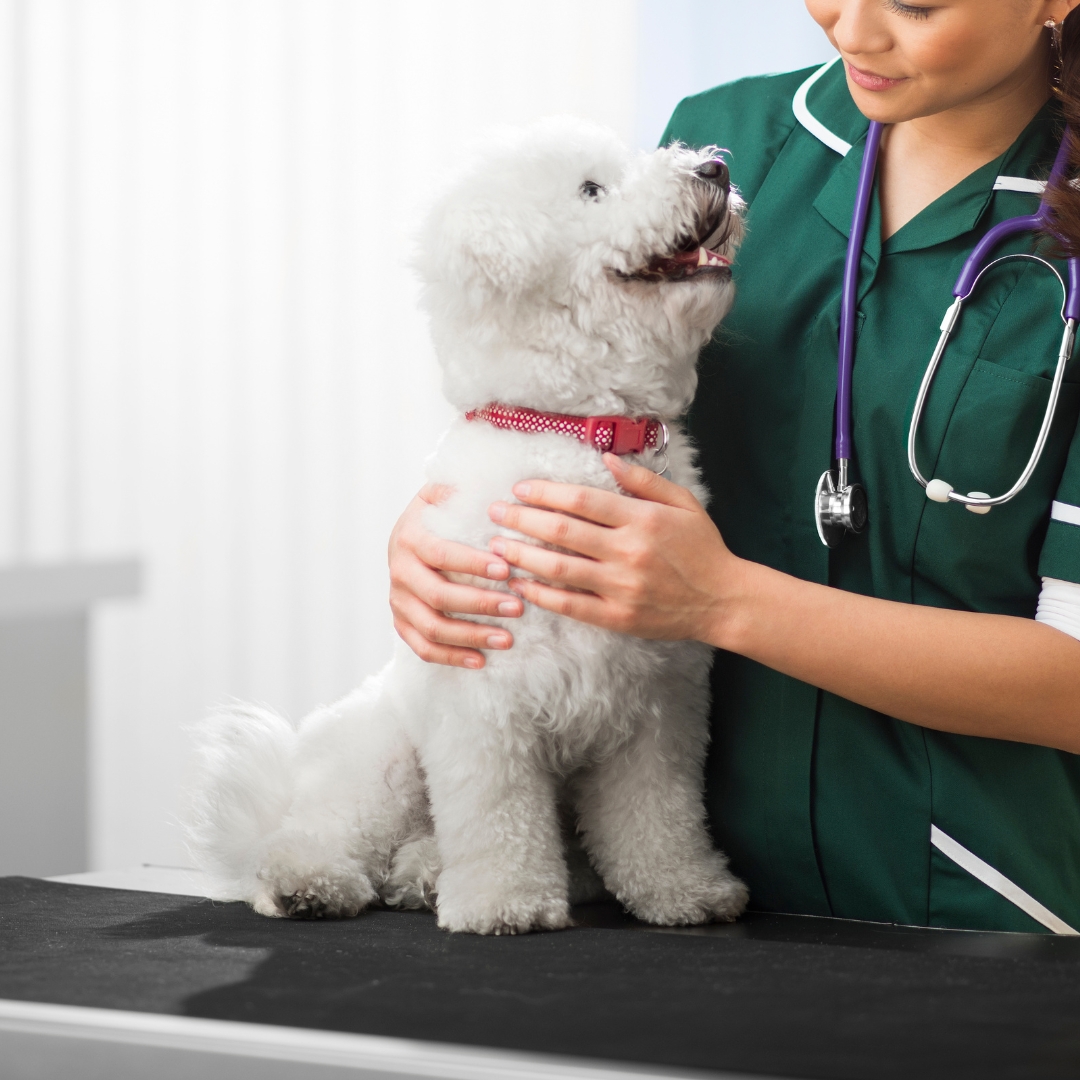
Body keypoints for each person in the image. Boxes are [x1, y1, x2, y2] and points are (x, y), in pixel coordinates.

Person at [387, 0, 1080, 934]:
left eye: (917, 4)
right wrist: (446, 528)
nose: (853, 30)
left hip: (974, 915)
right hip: (671, 905)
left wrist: (724, 601)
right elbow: (563, 386)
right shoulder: (728, 147)